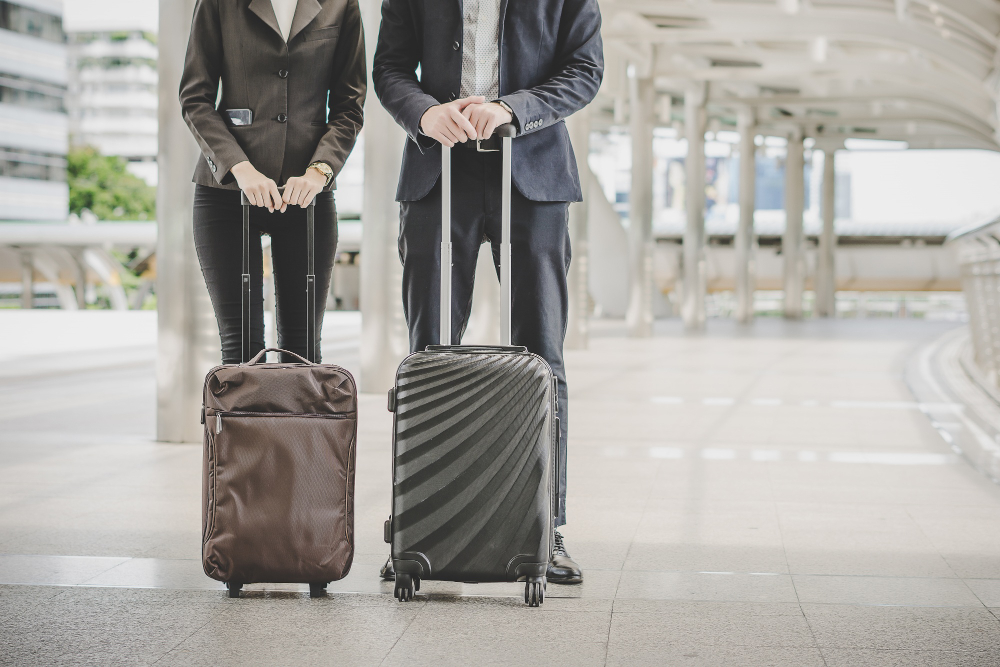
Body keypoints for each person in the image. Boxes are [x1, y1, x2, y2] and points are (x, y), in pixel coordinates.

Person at [373, 0, 604, 584]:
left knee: (542, 355)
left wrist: (510, 109)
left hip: (534, 175)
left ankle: (544, 529)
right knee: (428, 355)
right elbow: (390, 69)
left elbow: (584, 70)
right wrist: (425, 113)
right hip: (437, 172)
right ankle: (417, 528)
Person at [179, 0, 365, 364]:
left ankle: (299, 424)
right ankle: (243, 424)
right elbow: (195, 98)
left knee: (302, 350)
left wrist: (320, 170)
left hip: (307, 195)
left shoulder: (341, 4)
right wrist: (240, 169)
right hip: (227, 196)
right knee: (241, 349)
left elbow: (349, 105)